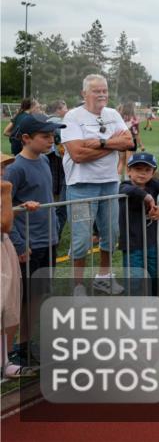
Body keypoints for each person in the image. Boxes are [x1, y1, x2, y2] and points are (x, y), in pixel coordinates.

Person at [62, 75, 133, 296]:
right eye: (96, 91)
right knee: (82, 238)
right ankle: (78, 286)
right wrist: (114, 144)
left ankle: (104, 278)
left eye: (105, 90)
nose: (102, 94)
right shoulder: (72, 116)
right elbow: (78, 154)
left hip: (110, 183)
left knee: (111, 234)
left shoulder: (112, 114)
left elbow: (129, 142)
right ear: (84, 94)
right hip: (82, 186)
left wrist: (101, 142)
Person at [4, 113, 63, 367]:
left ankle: (28, 343)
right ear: (26, 138)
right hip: (29, 244)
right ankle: (12, 350)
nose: (51, 140)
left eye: (52, 136)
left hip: (48, 239)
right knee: (21, 299)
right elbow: (6, 208)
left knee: (38, 294)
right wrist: (18, 243)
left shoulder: (44, 161)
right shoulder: (16, 168)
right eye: (45, 136)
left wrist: (56, 227)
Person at [118, 152, 159, 318]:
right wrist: (146, 196)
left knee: (158, 278)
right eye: (137, 169)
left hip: (153, 244)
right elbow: (127, 189)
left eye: (147, 170)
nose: (142, 173)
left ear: (153, 173)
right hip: (132, 246)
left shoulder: (153, 184)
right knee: (136, 281)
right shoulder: (124, 186)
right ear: (129, 171)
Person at [1, 154, 35, 379]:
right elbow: (4, 224)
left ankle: (4, 360)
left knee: (6, 306)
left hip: (4, 247)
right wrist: (6, 193)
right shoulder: (4, 189)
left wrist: (16, 205)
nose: (3, 170)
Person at [45, 100, 69, 239]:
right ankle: (54, 234)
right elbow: (60, 148)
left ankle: (53, 233)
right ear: (58, 109)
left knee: (55, 197)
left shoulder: (47, 119)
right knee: (60, 201)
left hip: (52, 160)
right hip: (57, 161)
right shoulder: (57, 122)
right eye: (65, 106)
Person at [117, 102, 144, 176]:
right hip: (130, 141)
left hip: (120, 141)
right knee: (129, 162)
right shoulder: (134, 119)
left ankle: (118, 181)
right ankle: (127, 181)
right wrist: (141, 145)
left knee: (121, 161)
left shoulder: (119, 118)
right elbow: (136, 134)